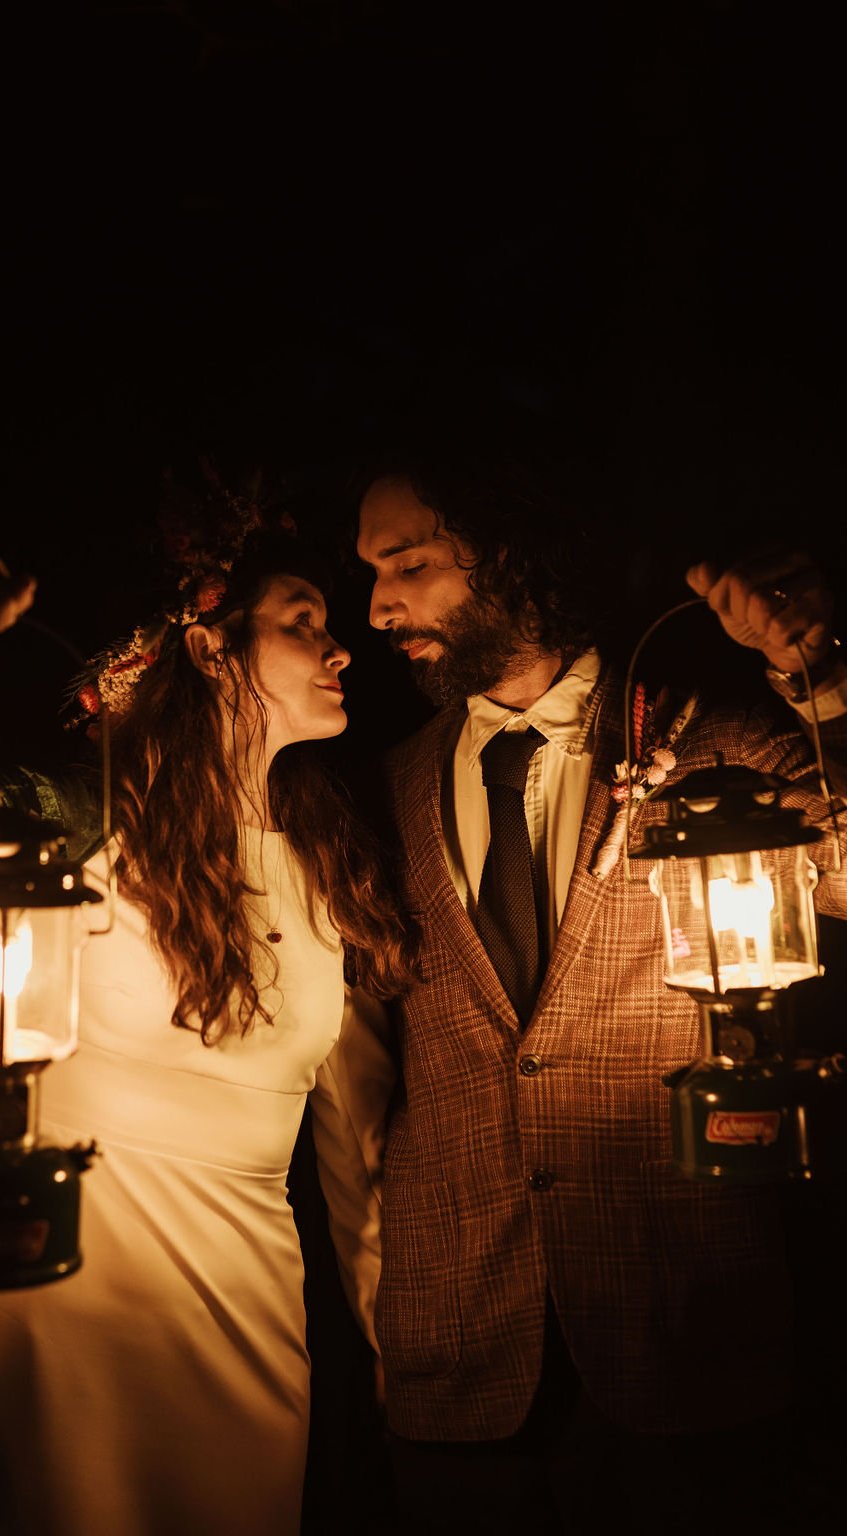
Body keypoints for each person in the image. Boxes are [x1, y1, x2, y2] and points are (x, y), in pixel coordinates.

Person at [0, 473, 415, 1536]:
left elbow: (355, 1154)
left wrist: (379, 1350)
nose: (340, 649)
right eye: (302, 622)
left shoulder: (331, 867)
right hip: (74, 1298)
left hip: (254, 1313)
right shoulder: (66, 832)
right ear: (204, 645)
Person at [349, 438, 847, 1534]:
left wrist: (825, 680)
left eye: (408, 563)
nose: (377, 608)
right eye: (370, 574)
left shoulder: (713, 739)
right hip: (457, 1351)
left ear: (507, 552)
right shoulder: (382, 789)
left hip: (685, 1334)